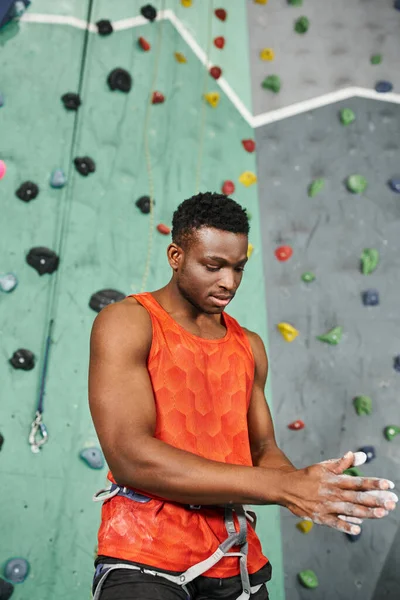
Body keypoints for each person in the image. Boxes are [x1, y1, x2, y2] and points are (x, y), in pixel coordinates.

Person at [88, 192, 397, 600]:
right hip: (144, 554)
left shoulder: (248, 346)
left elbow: (263, 449)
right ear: (176, 255)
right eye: (213, 266)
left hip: (235, 561)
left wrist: (311, 487)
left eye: (238, 268)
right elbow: (130, 457)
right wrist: (281, 488)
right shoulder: (128, 322)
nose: (228, 282)